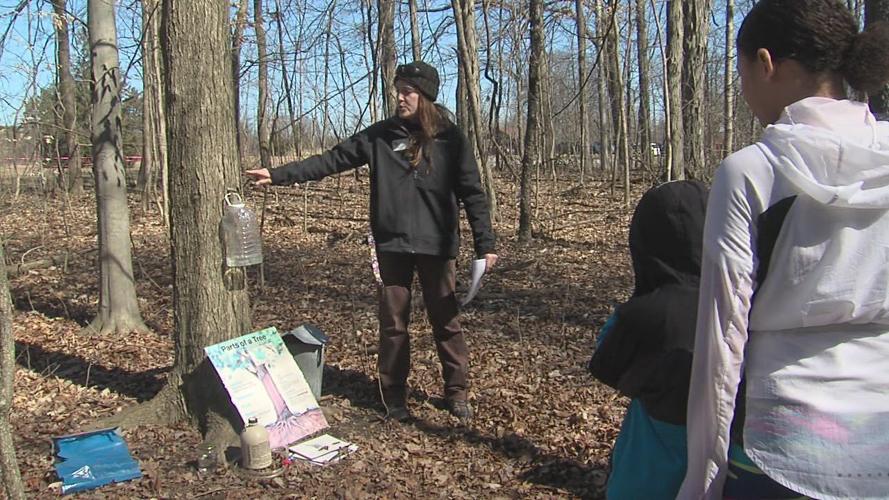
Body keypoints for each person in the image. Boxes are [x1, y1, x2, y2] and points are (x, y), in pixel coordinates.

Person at [677, 1, 889, 498]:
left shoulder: (751, 171)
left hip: (777, 451)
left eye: (743, 70)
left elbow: (723, 335)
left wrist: (702, 475)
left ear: (766, 63)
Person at [245, 61, 497, 423]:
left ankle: (457, 392)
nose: (399, 97)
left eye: (407, 91)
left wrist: (485, 245)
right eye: (397, 89)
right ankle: (394, 395)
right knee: (394, 324)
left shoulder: (450, 138)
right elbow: (332, 160)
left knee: (446, 322)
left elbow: (473, 193)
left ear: (424, 95)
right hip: (391, 245)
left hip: (437, 246)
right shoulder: (380, 135)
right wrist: (278, 174)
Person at [588, 180, 708, 500]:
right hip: (726, 473)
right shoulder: (742, 305)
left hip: (646, 476)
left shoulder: (642, 315)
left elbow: (608, 364)